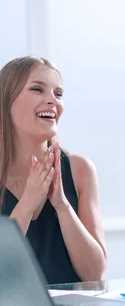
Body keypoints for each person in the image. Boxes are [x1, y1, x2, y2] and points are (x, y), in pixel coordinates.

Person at [0, 56, 107, 284]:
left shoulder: (80, 170)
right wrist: (28, 201)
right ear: (6, 101)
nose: (52, 101)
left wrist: (62, 204)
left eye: (58, 94)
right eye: (38, 89)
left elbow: (95, 275)